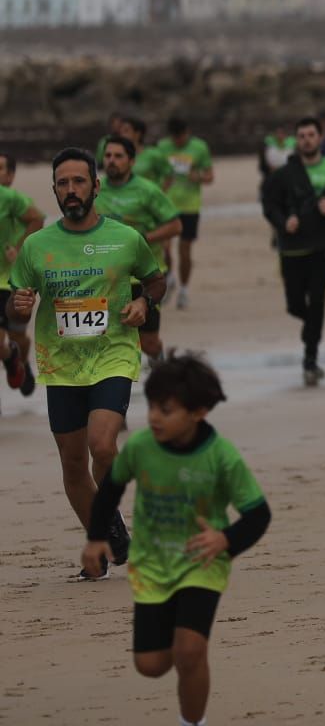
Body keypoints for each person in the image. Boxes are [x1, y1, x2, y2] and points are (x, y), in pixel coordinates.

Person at [82, 352, 270, 726]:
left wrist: (226, 541)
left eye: (166, 410)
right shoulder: (140, 448)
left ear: (198, 412)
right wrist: (97, 537)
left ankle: (192, 722)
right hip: (151, 566)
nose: (153, 417)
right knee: (150, 665)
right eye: (151, 406)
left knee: (190, 652)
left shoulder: (221, 456)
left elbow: (258, 514)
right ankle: (173, 643)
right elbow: (110, 490)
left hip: (202, 564)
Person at [7, 147, 166, 574]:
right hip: (61, 363)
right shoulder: (36, 246)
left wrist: (143, 304)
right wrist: (19, 305)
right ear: (55, 191)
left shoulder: (125, 238)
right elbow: (16, 303)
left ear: (95, 186)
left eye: (79, 182)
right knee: (75, 464)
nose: (71, 190)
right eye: (63, 183)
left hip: (112, 353)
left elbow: (155, 280)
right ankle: (108, 532)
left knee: (102, 444)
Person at [261, 117, 325, 386]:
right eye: (302, 135)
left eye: (311, 135)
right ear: (297, 141)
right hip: (292, 249)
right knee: (295, 304)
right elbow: (269, 204)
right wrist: (284, 222)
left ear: (321, 138)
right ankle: (312, 327)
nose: (307, 140)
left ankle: (310, 360)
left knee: (317, 298)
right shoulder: (283, 175)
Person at [96, 136, 182, 363]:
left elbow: (175, 225)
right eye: (108, 156)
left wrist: (143, 238)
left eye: (118, 156)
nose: (111, 161)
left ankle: (159, 365)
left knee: (148, 342)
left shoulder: (147, 190)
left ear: (132, 161)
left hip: (144, 278)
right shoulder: (93, 190)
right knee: (102, 337)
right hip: (104, 277)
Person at [146, 117, 213, 309]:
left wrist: (198, 176)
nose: (178, 142)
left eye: (181, 138)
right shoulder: (162, 147)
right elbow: (155, 173)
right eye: (175, 139)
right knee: (165, 248)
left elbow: (210, 176)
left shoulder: (200, 147)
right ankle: (170, 277)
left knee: (185, 251)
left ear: (188, 132)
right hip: (166, 206)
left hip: (190, 206)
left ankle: (183, 289)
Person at [0, 155, 47, 397]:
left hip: (9, 281)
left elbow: (38, 218)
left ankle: (21, 361)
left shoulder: (10, 199)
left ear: (10, 175)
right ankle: (10, 360)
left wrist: (18, 248)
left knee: (18, 336)